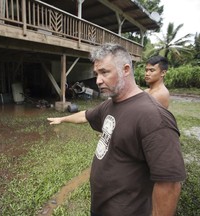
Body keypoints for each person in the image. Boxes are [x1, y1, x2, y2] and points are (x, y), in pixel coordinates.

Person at [47, 43, 186, 216]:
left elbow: (169, 184)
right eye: (96, 74)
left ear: (125, 70)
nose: (98, 80)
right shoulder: (110, 104)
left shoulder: (154, 117)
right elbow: (85, 115)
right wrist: (62, 119)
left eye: (105, 72)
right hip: (102, 206)